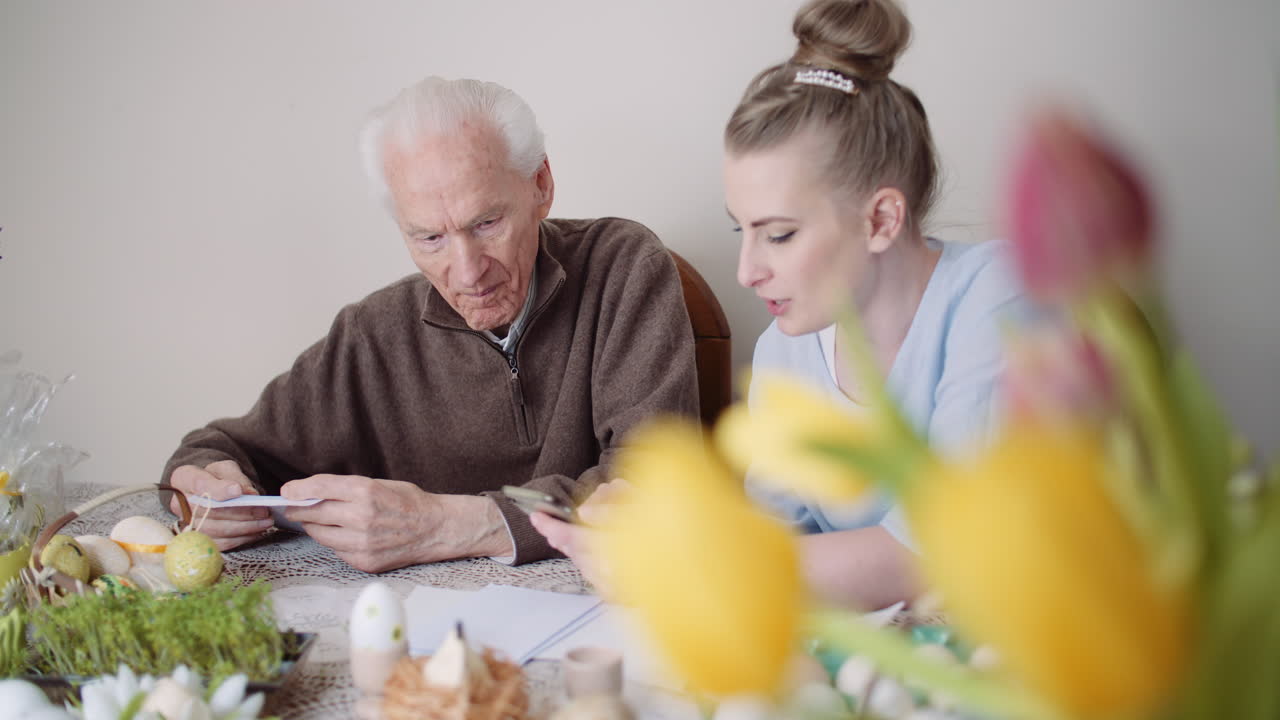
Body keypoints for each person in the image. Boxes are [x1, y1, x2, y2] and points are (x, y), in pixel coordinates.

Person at [534, 0, 1026, 610]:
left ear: (881, 219)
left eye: (781, 234)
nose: (747, 272)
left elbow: (937, 555)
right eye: (742, 230)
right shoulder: (785, 349)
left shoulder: (998, 298)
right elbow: (782, 548)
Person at [162, 77, 699, 573]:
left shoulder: (623, 268)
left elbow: (651, 483)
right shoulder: (372, 336)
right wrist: (205, 488)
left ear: (540, 185)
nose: (467, 271)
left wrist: (452, 524)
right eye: (429, 238)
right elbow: (218, 449)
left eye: (486, 223)